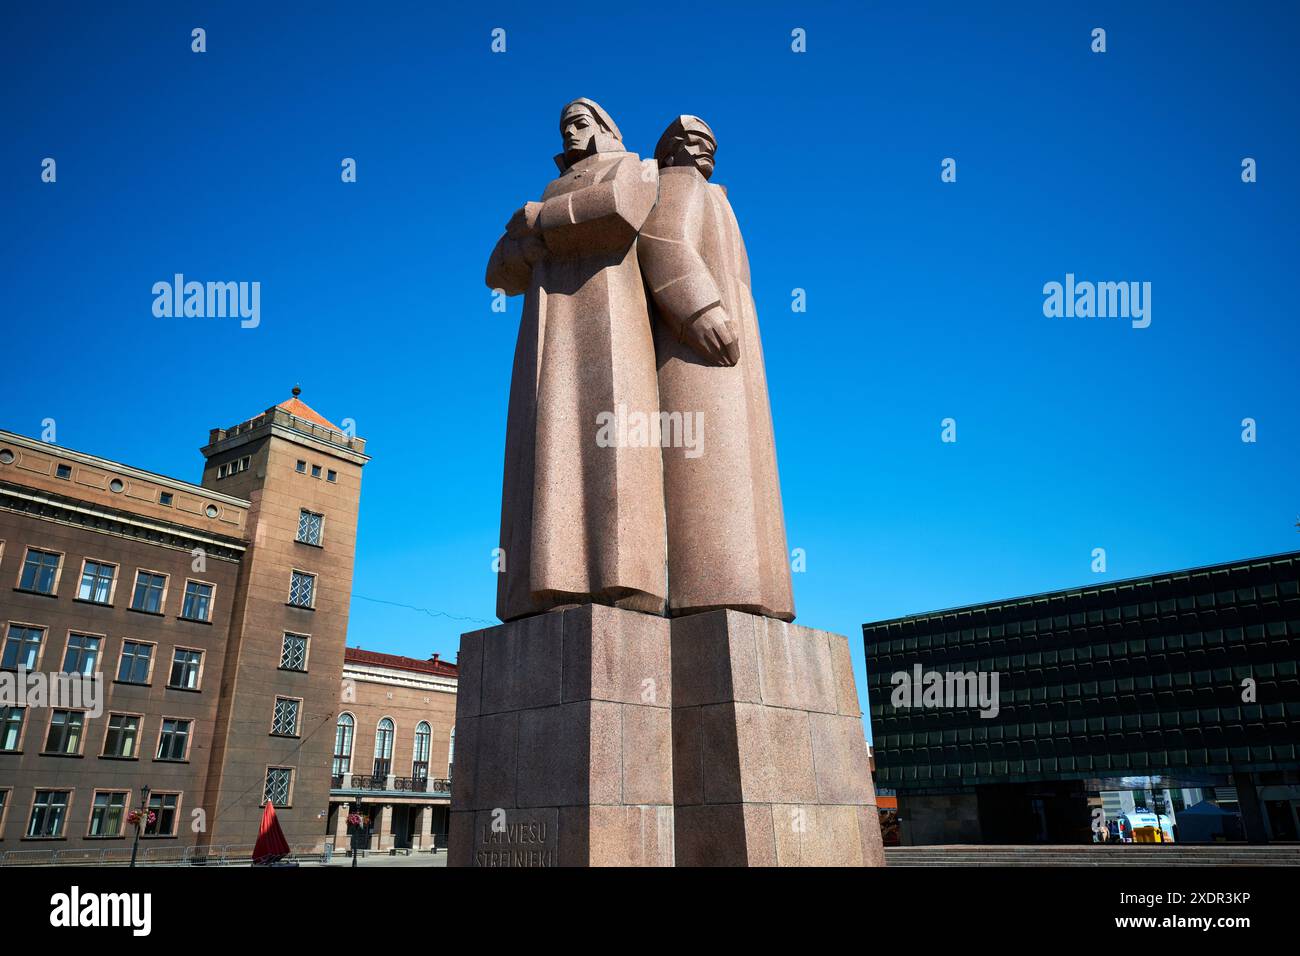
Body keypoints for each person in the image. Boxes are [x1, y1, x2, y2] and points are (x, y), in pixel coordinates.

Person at [486, 99, 666, 622]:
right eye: (564, 125)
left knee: (610, 446)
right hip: (546, 332)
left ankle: (619, 575)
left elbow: (616, 212)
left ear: (605, 127)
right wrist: (525, 247)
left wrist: (539, 223)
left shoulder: (633, 166)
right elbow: (497, 273)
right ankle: (546, 581)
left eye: (579, 123)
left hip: (611, 318)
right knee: (544, 446)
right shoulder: (546, 191)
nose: (569, 132)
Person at [636, 115, 794, 620]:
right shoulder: (677, 183)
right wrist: (699, 309)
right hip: (699, 350)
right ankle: (716, 590)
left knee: (745, 471)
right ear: (671, 150)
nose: (703, 148)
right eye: (692, 140)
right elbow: (662, 242)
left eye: (709, 142)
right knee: (709, 470)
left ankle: (754, 593)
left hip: (734, 350)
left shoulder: (716, 196)